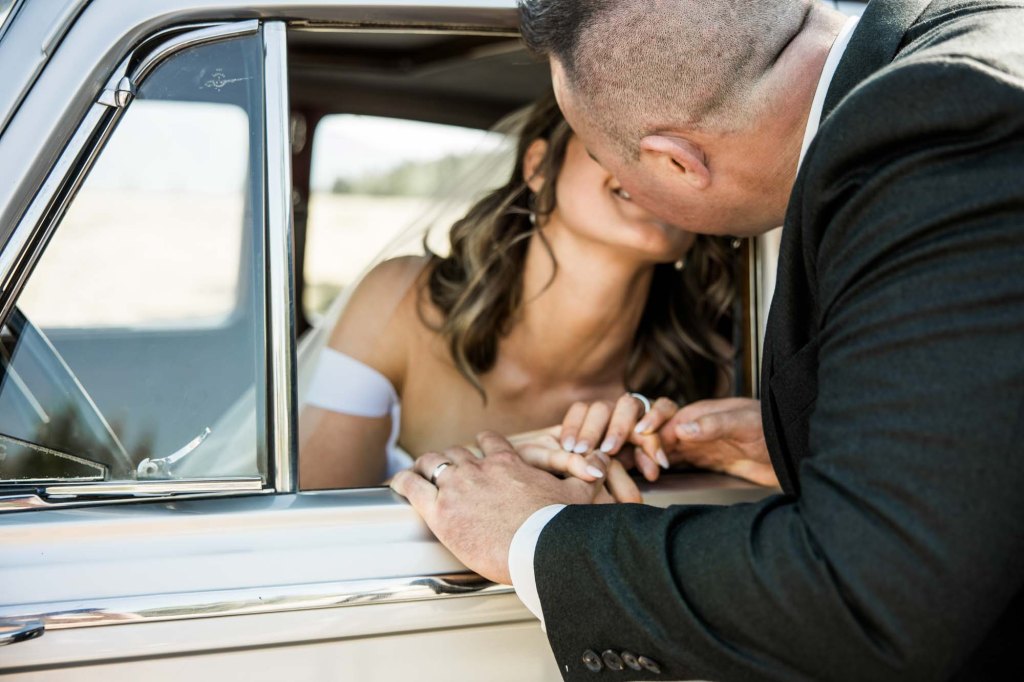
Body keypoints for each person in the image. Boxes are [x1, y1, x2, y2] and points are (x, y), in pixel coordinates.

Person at [390, 0, 1024, 680]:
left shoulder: (939, 130)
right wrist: (802, 443)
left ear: (676, 163)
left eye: (612, 161)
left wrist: (534, 535)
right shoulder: (967, 38)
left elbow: (874, 594)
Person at [299, 94, 739, 494]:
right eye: (620, 135)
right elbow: (313, 521)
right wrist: (494, 464)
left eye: (685, 150)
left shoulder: (708, 373)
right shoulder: (401, 302)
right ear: (538, 166)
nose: (661, 164)